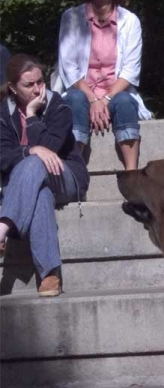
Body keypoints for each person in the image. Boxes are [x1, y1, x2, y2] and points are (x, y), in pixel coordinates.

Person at [0, 54, 89, 296]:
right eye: (29, 85)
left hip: (65, 176)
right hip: (27, 186)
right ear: (12, 88)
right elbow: (2, 157)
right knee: (40, 193)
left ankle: (2, 228)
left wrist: (30, 116)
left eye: (40, 82)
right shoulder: (2, 115)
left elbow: (49, 149)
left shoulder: (59, 107)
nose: (38, 89)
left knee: (36, 163)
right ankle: (49, 274)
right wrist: (31, 150)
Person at [58, 0, 151, 171]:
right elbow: (68, 68)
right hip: (81, 92)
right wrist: (93, 100)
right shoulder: (71, 18)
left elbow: (130, 70)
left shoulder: (130, 21)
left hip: (116, 92)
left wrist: (105, 98)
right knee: (75, 99)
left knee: (126, 102)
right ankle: (74, 171)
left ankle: (132, 173)